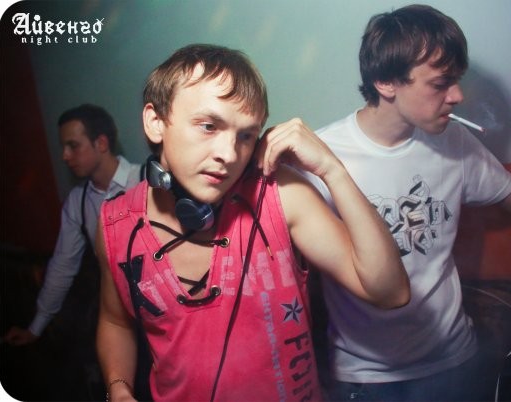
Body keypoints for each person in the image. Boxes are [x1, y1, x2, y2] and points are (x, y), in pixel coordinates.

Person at [305, 5, 511, 402]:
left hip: (455, 360)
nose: (458, 96)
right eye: (441, 83)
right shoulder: (321, 158)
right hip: (365, 379)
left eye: (457, 80)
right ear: (386, 82)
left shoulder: (454, 142)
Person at [95, 43, 410, 402]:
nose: (229, 154)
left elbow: (391, 292)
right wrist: (118, 387)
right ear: (155, 122)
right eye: (209, 126)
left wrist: (331, 170)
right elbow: (115, 321)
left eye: (245, 135)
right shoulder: (116, 226)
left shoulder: (280, 194)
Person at [3, 104, 142, 399]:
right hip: (117, 320)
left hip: (162, 318)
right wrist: (35, 327)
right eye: (63, 147)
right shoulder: (77, 202)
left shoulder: (144, 180)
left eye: (73, 146)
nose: (65, 156)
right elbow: (62, 267)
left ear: (101, 143)